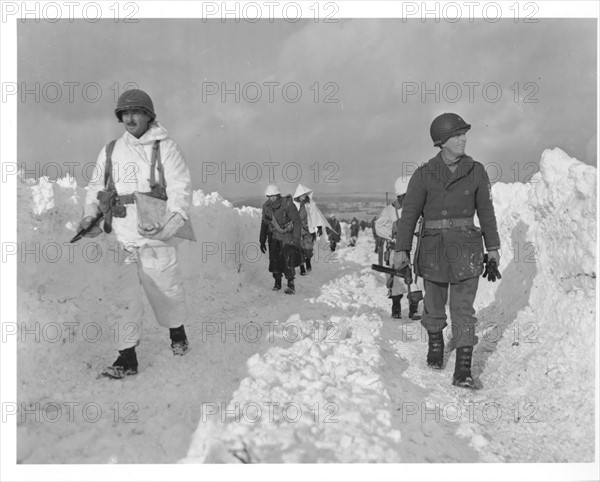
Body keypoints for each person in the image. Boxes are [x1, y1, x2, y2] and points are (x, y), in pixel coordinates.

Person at [77, 89, 193, 379]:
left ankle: (177, 332)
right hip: (120, 232)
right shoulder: (111, 149)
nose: (129, 118)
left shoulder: (165, 147)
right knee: (122, 295)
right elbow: (94, 188)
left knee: (164, 287)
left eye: (136, 112)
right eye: (124, 113)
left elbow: (180, 187)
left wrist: (175, 218)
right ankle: (126, 357)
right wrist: (89, 215)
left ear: (148, 116)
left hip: (156, 229)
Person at [393, 113, 500, 389]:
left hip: (467, 246)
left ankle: (463, 368)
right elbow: (409, 215)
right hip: (433, 248)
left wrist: (493, 248)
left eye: (464, 133)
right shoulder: (423, 174)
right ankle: (436, 344)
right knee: (434, 303)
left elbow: (486, 214)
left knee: (463, 309)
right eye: (456, 135)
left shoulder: (476, 171)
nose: (463, 139)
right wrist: (402, 249)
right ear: (441, 142)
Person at [375, 176, 422, 320]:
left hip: (415, 248)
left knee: (415, 280)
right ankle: (396, 308)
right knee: (397, 280)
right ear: (400, 196)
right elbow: (379, 227)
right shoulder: (390, 210)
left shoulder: (419, 207)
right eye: (406, 196)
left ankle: (413, 310)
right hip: (396, 249)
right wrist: (393, 230)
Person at [259, 184, 302, 294]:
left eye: (274, 196)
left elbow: (297, 221)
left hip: (287, 237)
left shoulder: (287, 204)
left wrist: (296, 239)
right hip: (274, 237)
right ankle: (277, 282)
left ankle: (290, 284)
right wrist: (262, 240)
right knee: (275, 261)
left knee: (288, 261)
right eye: (269, 196)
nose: (272, 198)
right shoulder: (266, 206)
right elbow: (264, 223)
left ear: (278, 195)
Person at [292, 184, 330, 275]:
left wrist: (319, 227)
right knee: (299, 249)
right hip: (297, 230)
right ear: (298, 195)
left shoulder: (310, 204)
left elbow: (316, 215)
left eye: (305, 195)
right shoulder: (294, 204)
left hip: (308, 230)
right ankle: (302, 268)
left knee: (308, 249)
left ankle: (308, 260)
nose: (303, 197)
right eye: (302, 195)